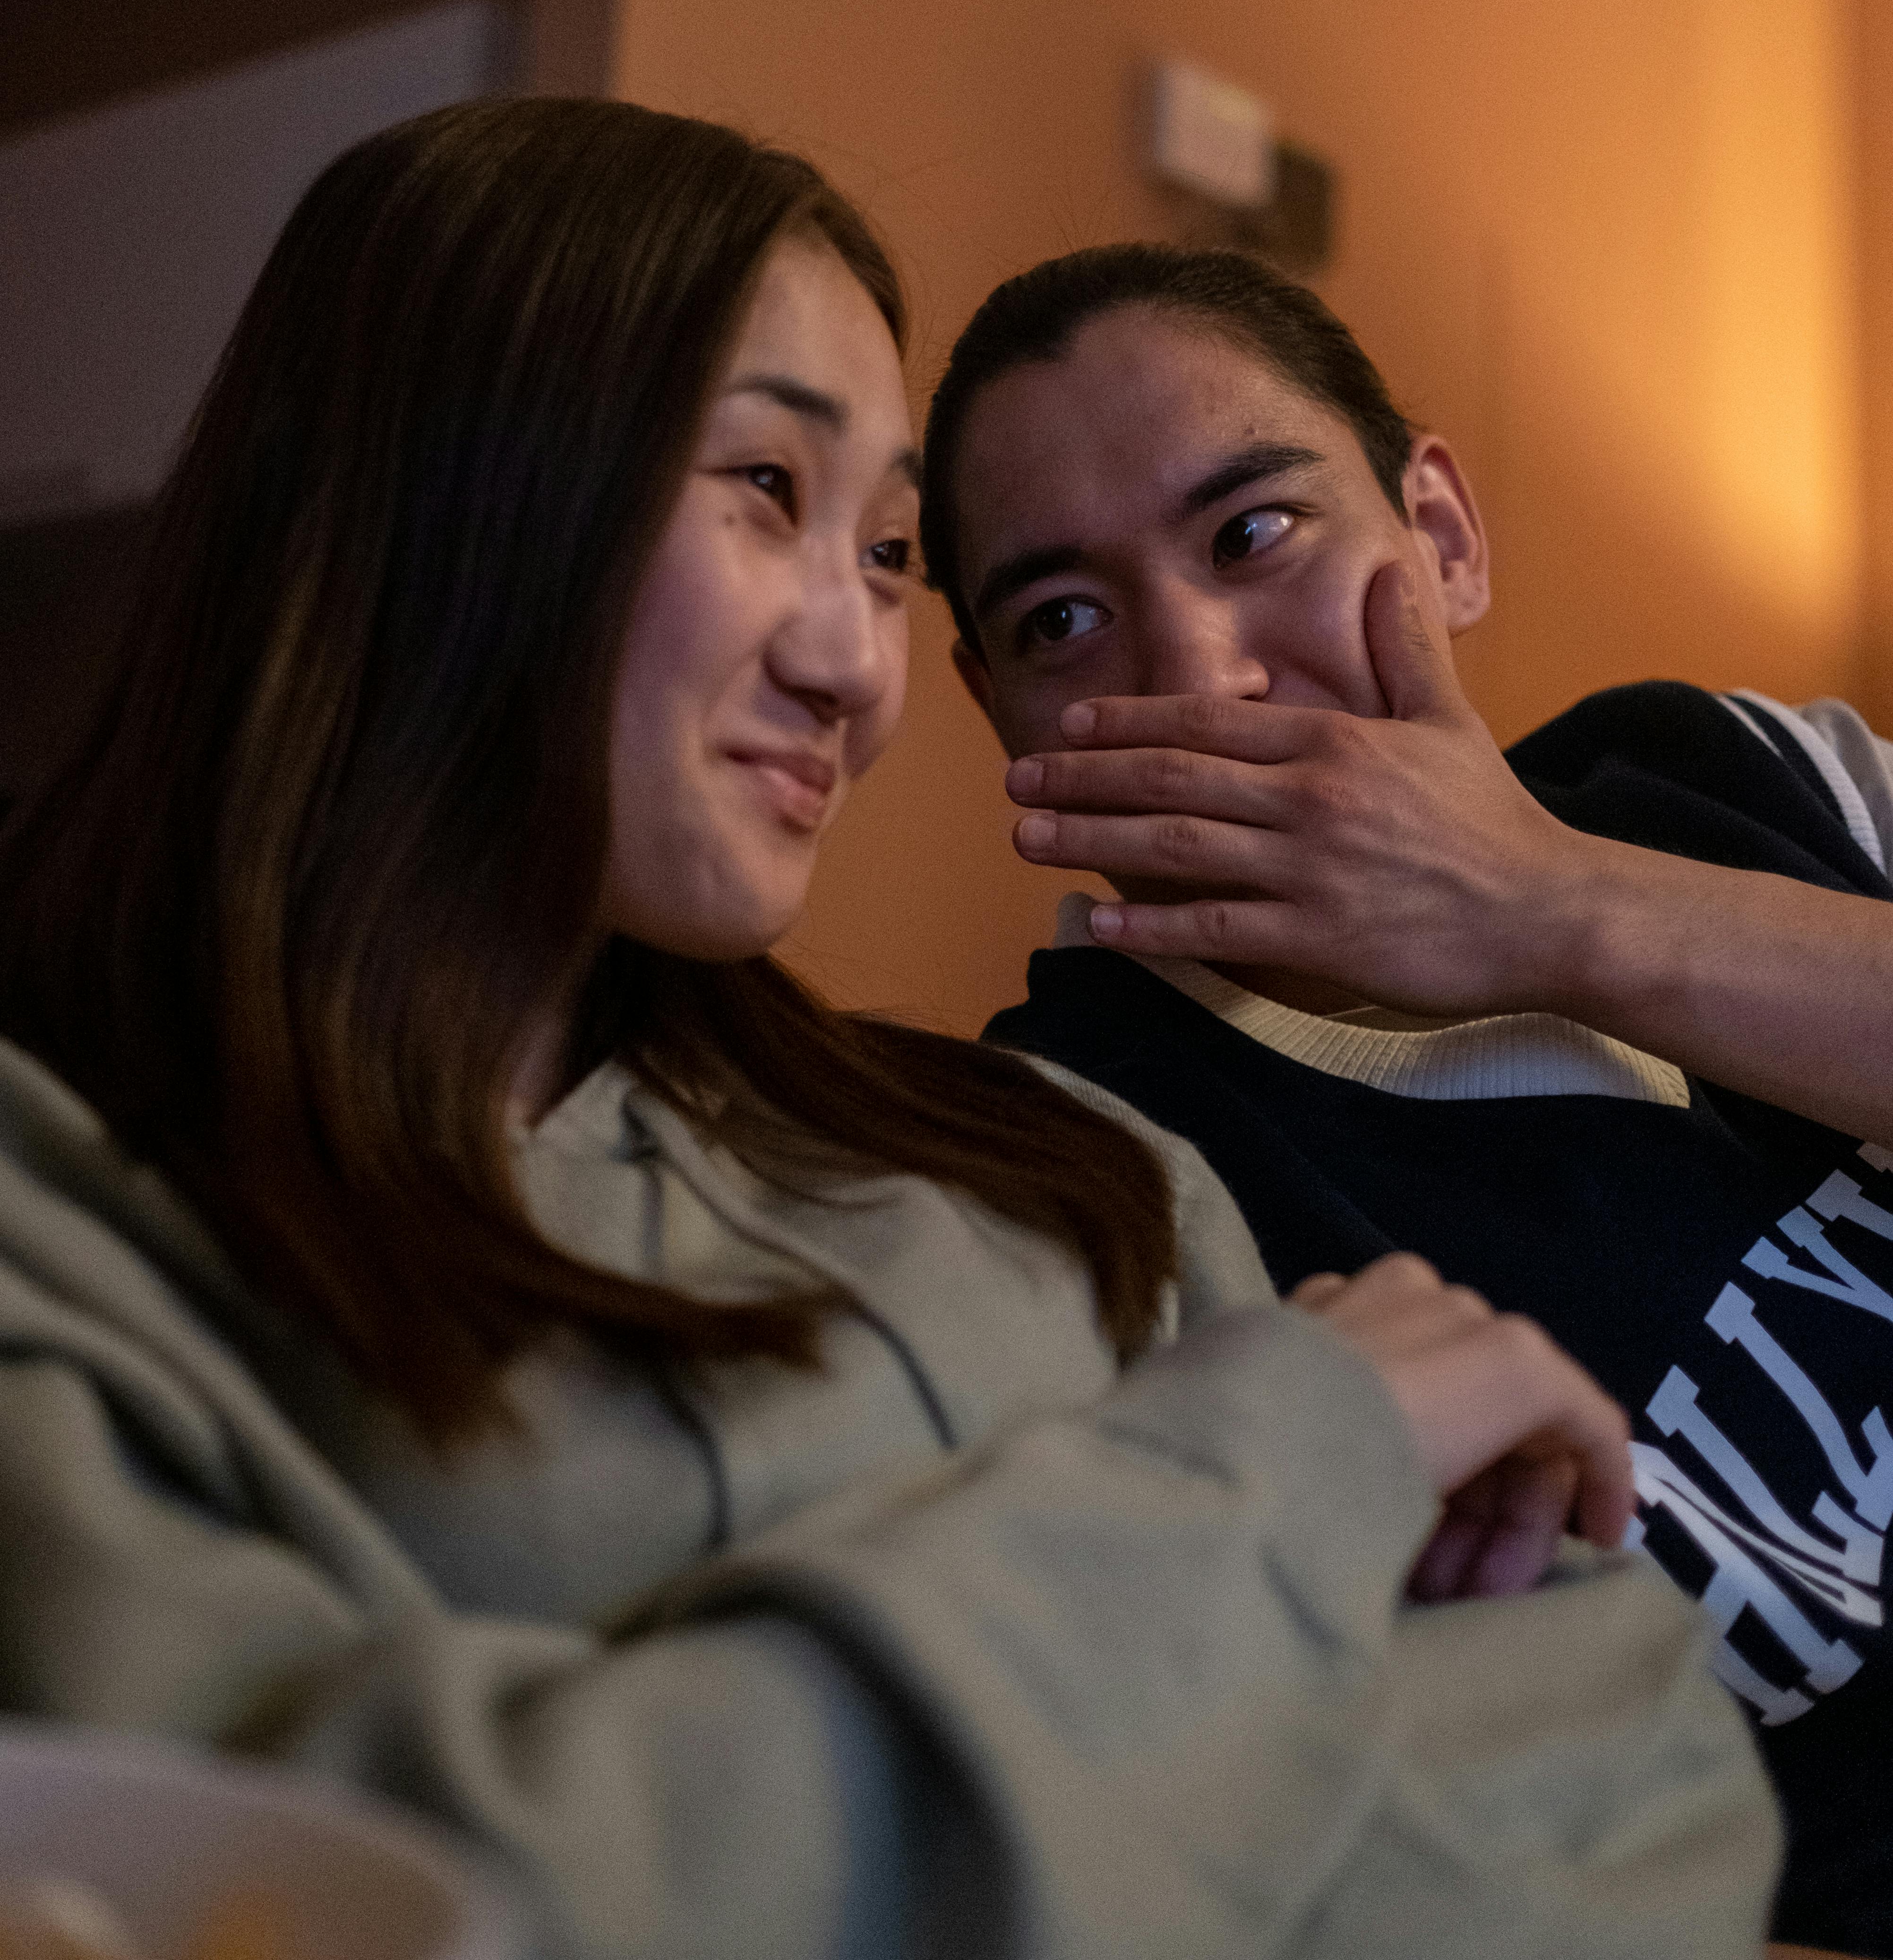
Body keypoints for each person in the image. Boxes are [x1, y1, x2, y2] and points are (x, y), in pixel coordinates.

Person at [0, 102, 1772, 1960]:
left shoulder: (1061, 1171)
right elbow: (352, 1902)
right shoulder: (76, 1239)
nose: (853, 670)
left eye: (891, 557)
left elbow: (1614, 1763)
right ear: (437, 475)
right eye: (770, 489)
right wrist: (1274, 1474)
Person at [921, 238, 1893, 1960]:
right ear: (1001, 716)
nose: (1199, 673)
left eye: (1254, 532)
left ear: (1438, 532)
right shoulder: (1064, 1172)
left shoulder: (1725, 768)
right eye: (1064, 619)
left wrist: (1559, 907)